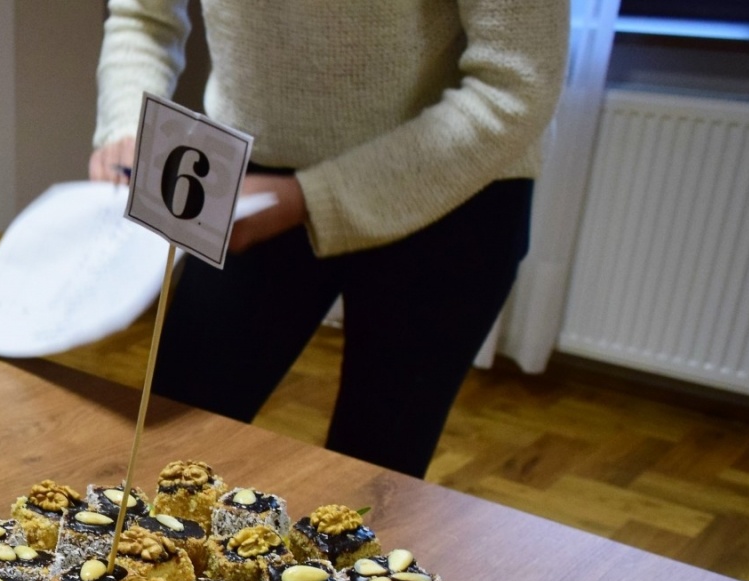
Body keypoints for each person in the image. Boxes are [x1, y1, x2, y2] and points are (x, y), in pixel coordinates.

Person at [89, 0, 569, 478]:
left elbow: (516, 85)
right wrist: (128, 130)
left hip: (449, 180)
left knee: (372, 473)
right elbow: (143, 17)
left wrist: (309, 198)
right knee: (170, 444)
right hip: (251, 174)